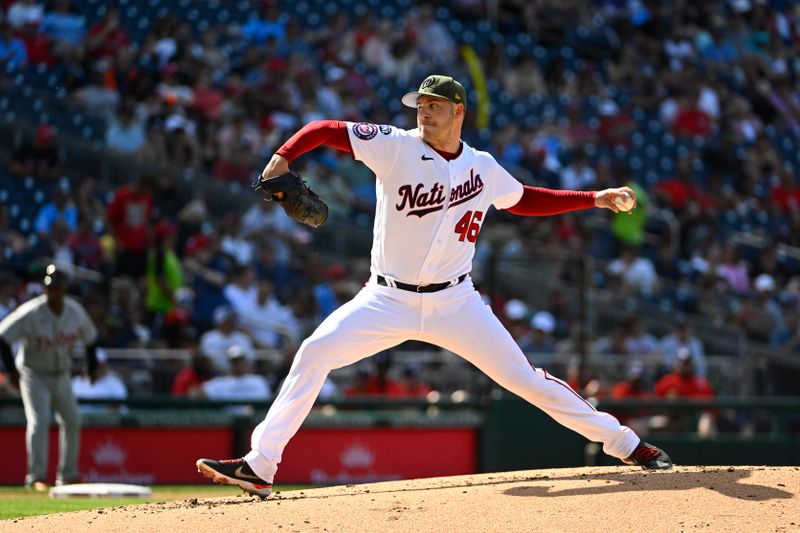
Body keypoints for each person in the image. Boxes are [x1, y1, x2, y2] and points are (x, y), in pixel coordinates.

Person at [196, 74, 672, 498]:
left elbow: (525, 199)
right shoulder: (395, 144)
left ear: (458, 111)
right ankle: (261, 465)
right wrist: (280, 160)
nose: (422, 111)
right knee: (314, 353)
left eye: (433, 105)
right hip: (386, 298)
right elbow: (324, 129)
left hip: (456, 301)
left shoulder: (482, 167)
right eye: (419, 104)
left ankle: (627, 444)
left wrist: (594, 198)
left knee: (525, 379)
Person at [0, 265, 98, 490]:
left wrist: (91, 367)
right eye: (49, 287)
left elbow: (91, 338)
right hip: (33, 372)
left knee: (73, 419)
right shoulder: (31, 312)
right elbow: (3, 337)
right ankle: (36, 477)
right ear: (44, 289)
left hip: (61, 373)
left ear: (64, 289)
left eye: (57, 287)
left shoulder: (75, 311)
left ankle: (68, 474)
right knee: (39, 420)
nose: (53, 291)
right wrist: (12, 373)